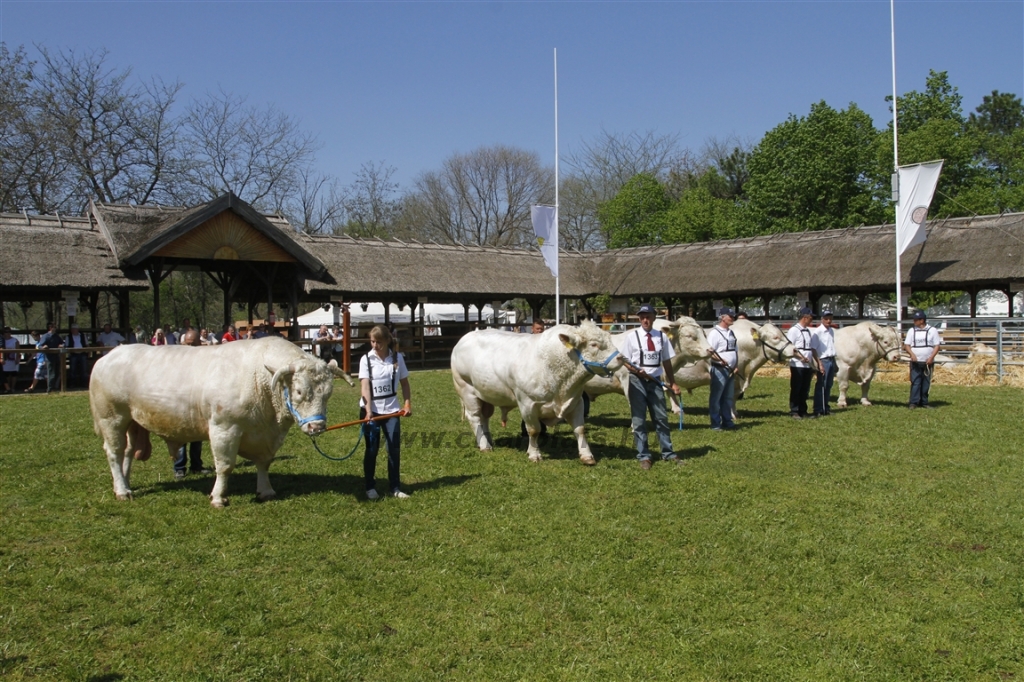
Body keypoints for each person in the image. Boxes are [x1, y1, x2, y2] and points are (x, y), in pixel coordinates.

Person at [621, 304, 681, 469]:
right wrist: (636, 371)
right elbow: (624, 361)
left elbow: (667, 361)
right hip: (637, 381)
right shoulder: (632, 337)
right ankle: (644, 456)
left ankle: (667, 452)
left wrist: (673, 382)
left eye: (648, 317)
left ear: (654, 317)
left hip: (655, 381)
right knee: (639, 420)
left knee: (661, 417)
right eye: (642, 317)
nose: (645, 320)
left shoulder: (662, 337)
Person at [358, 324, 412, 500]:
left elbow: (404, 383)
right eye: (372, 341)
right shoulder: (366, 359)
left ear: (387, 341)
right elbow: (365, 387)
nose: (374, 345)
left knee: (393, 449)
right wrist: (368, 412)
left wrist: (407, 405)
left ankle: (395, 487)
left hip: (392, 411)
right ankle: (370, 486)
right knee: (372, 449)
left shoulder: (397, 358)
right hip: (371, 411)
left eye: (378, 342)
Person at [173, 329, 210, 480]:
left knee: (197, 436)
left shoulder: (205, 359)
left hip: (198, 402)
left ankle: (196, 465)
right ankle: (179, 468)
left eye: (193, 344)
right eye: (188, 344)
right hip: (181, 402)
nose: (190, 348)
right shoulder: (178, 360)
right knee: (181, 436)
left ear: (199, 343)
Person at [707, 308, 739, 431]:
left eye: (732, 316)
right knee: (716, 397)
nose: (732, 318)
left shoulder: (731, 333)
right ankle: (715, 423)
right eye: (730, 316)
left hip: (731, 370)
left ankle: (727, 421)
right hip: (719, 369)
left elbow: (736, 351)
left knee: (728, 397)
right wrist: (719, 360)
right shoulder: (714, 333)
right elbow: (710, 351)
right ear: (722, 317)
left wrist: (736, 365)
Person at [787, 307, 821, 419]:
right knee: (797, 387)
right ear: (805, 317)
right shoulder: (793, 331)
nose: (811, 320)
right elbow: (790, 348)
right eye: (810, 318)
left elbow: (810, 348)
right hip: (797, 365)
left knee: (805, 388)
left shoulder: (807, 331)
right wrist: (800, 357)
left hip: (808, 365)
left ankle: (803, 410)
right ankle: (794, 410)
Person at [903, 310, 942, 409]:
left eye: (916, 320)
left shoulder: (932, 330)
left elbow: (937, 346)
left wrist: (931, 357)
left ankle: (924, 402)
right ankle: (913, 402)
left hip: (927, 362)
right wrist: (912, 354)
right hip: (916, 361)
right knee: (916, 381)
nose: (914, 321)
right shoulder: (911, 331)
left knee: (926, 382)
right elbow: (906, 345)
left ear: (922, 320)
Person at [520, 320, 549, 443]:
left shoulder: (546, 342)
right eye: (537, 329)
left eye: (541, 329)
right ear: (532, 328)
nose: (540, 331)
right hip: (529, 376)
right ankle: (525, 431)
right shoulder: (528, 341)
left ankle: (542, 430)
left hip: (543, 376)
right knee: (529, 404)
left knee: (542, 405)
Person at [812, 310, 838, 417]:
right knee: (822, 385)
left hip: (831, 359)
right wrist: (819, 363)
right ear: (822, 319)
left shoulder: (831, 331)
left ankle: (825, 407)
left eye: (830, 319)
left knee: (829, 384)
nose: (828, 321)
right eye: (826, 319)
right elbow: (813, 349)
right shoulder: (817, 332)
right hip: (824, 360)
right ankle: (818, 409)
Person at [38, 323, 63, 392]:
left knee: (57, 372)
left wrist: (61, 345)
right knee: (51, 373)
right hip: (49, 357)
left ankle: (55, 387)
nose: (54, 328)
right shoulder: (46, 336)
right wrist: (44, 347)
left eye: (55, 327)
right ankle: (50, 388)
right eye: (53, 327)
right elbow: (40, 346)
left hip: (57, 356)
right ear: (50, 328)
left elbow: (62, 343)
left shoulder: (57, 336)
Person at [64, 323, 90, 389]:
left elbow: (87, 344)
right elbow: (66, 346)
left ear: (78, 329)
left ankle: (84, 384)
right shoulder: (68, 337)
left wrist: (88, 352)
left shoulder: (83, 336)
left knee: (84, 370)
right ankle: (73, 384)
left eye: (75, 329)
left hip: (82, 354)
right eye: (73, 329)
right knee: (73, 370)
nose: (74, 330)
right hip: (73, 354)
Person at [2, 328, 19, 393]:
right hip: (5, 359)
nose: (8, 333)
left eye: (9, 332)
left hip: (13, 358)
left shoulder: (15, 340)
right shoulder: (2, 340)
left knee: (14, 374)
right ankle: (7, 388)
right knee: (6, 374)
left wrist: (17, 358)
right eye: (6, 332)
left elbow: (18, 350)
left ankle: (13, 387)